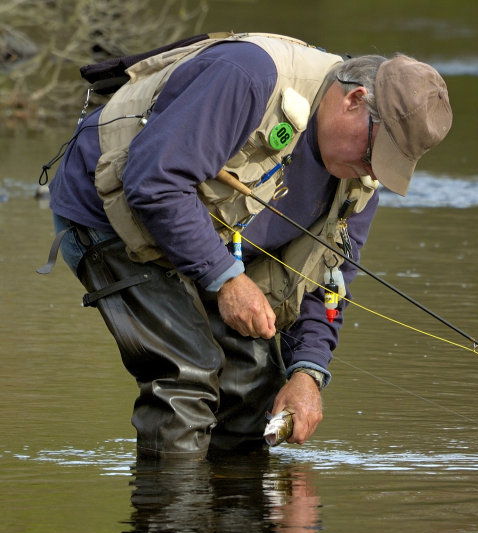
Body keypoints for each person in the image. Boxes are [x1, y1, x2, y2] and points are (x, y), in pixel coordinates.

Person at [46, 32, 452, 458]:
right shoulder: (248, 76)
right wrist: (227, 281)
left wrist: (308, 373)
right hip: (106, 214)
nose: (371, 169)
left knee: (255, 388)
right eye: (374, 151)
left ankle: (240, 513)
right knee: (189, 374)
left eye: (386, 164)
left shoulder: (360, 178)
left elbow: (328, 281)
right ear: (354, 100)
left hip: (205, 241)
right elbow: (155, 182)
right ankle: (171, 519)